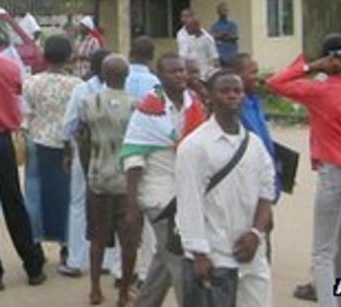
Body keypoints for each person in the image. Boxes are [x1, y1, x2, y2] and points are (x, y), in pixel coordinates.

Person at [267, 34, 341, 307]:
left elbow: (274, 83)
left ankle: (328, 302)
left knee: (323, 251)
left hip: (335, 171)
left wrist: (310, 67)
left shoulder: (319, 90)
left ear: (326, 59)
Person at [176, 70, 275, 307]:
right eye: (224, 91)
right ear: (209, 96)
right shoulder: (194, 147)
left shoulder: (255, 144)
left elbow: (266, 193)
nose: (232, 96)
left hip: (251, 254)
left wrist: (255, 234)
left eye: (237, 91)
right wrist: (198, 255)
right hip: (215, 256)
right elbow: (189, 203)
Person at [122, 53, 206, 307]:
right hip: (159, 197)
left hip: (187, 193)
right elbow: (133, 158)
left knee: (164, 259)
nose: (180, 75)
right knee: (180, 261)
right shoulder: (148, 110)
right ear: (159, 76)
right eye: (173, 71)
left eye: (182, 70)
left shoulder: (195, 105)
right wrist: (132, 206)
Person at [0, 22, 46, 291]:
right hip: (4, 140)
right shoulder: (10, 67)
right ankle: (33, 265)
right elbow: (19, 92)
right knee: (14, 202)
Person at [78, 55, 137, 307]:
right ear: (127, 76)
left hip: (99, 179)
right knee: (129, 240)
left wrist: (87, 171)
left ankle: (94, 289)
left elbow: (83, 141)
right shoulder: (137, 105)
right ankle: (124, 292)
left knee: (97, 239)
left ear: (102, 74)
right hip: (127, 182)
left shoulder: (89, 103)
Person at [22, 34, 82, 274]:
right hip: (68, 147)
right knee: (68, 196)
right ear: (69, 57)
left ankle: (35, 245)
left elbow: (25, 115)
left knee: (35, 195)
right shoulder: (77, 85)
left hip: (38, 142)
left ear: (44, 56)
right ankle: (67, 246)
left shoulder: (31, 83)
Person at [62, 49, 114, 279]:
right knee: (112, 205)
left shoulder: (82, 90)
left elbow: (69, 125)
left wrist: (68, 150)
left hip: (85, 153)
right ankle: (110, 261)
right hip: (114, 155)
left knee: (79, 204)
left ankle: (76, 260)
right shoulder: (123, 90)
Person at [233, 53, 281, 201]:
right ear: (237, 76)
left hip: (265, 176)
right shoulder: (234, 109)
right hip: (247, 181)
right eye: (252, 72)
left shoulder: (255, 103)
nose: (257, 77)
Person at [176, 9, 219, 80]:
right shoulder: (181, 34)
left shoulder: (208, 38)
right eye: (183, 17)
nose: (183, 19)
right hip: (189, 75)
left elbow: (214, 59)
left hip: (205, 75)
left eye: (189, 27)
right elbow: (183, 55)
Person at [126, 36, 160, 102]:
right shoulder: (154, 81)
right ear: (152, 57)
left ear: (130, 54)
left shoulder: (120, 77)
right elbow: (163, 103)